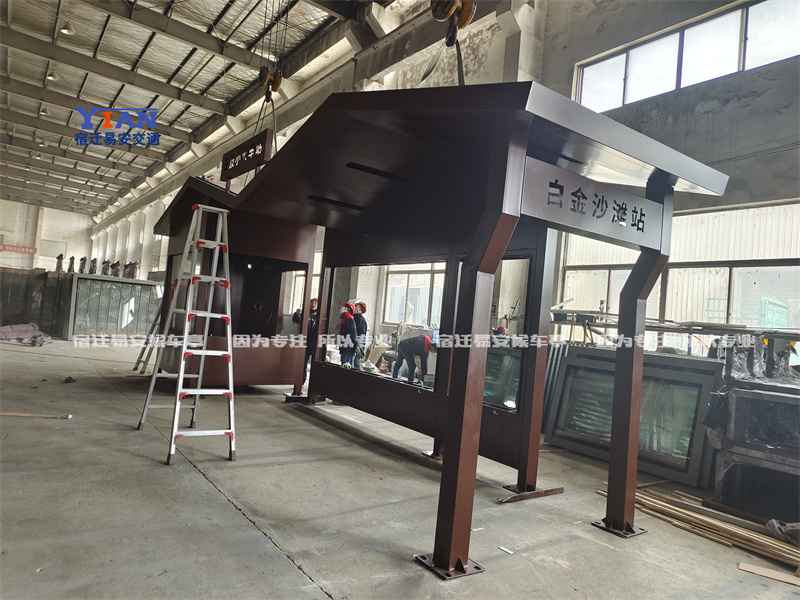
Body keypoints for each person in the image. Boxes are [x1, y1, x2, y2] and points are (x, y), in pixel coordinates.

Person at [292, 298, 319, 384]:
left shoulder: (320, 314)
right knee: (303, 362)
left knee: (316, 364)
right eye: (312, 302)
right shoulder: (305, 313)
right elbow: (297, 320)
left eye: (315, 303)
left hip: (315, 342)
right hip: (305, 341)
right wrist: (297, 314)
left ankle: (314, 382)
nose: (313, 304)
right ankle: (302, 380)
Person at [338, 302, 358, 369]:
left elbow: (352, 333)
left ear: (348, 309)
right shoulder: (345, 318)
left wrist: (356, 345)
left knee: (347, 368)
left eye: (344, 306)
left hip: (348, 348)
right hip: (345, 347)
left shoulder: (348, 318)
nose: (341, 308)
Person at [353, 301, 368, 370]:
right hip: (354, 342)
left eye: (356, 306)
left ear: (360, 309)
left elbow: (361, 333)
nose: (354, 307)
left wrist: (359, 345)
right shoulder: (354, 317)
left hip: (358, 344)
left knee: (356, 363)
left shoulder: (360, 319)